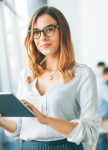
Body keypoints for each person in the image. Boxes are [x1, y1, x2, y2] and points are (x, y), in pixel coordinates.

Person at [0, 6, 101, 150]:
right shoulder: (26, 74)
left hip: (64, 147)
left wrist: (46, 120)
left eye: (49, 29)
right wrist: (2, 122)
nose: (42, 37)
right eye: (36, 32)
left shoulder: (83, 74)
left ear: (62, 31)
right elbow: (20, 125)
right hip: (28, 147)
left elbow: (91, 133)